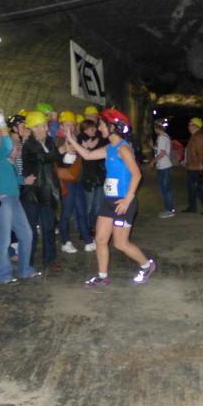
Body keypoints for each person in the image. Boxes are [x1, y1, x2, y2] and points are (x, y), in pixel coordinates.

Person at [64, 108, 157, 287]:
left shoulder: (123, 149)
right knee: (100, 240)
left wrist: (127, 199)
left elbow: (137, 174)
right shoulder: (110, 148)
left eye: (102, 125)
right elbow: (88, 155)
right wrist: (71, 139)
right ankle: (102, 276)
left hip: (123, 203)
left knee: (120, 244)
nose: (99, 128)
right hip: (108, 201)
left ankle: (147, 265)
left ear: (112, 127)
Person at [0, 117, 41, 283]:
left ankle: (25, 269)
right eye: (0, 135)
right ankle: (3, 275)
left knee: (26, 234)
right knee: (3, 238)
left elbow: (10, 175)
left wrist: (24, 180)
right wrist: (3, 126)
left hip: (12, 198)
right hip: (2, 199)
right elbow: (7, 146)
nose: (2, 139)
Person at [21, 110, 62, 270]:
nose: (46, 128)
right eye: (42, 126)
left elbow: (58, 161)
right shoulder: (29, 145)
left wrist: (67, 155)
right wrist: (60, 151)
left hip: (48, 190)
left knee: (49, 227)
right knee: (30, 230)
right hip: (32, 193)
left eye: (45, 125)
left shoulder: (50, 141)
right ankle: (27, 261)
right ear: (33, 128)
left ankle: (49, 259)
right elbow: (42, 158)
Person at [57, 111, 95, 253]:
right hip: (66, 181)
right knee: (66, 212)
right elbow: (58, 161)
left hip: (77, 180)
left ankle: (88, 240)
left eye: (72, 125)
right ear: (61, 126)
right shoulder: (59, 140)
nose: (71, 128)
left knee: (81, 211)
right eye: (67, 125)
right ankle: (65, 241)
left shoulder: (75, 138)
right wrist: (65, 151)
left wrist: (84, 149)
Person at [78, 119, 106, 234]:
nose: (94, 130)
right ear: (85, 130)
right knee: (88, 206)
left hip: (99, 177)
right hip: (88, 178)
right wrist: (87, 147)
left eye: (94, 127)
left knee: (97, 205)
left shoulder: (99, 138)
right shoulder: (81, 138)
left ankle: (92, 227)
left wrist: (93, 145)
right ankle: (84, 229)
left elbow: (104, 148)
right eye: (91, 128)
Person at [182, 117, 203, 214]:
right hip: (191, 165)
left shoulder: (199, 137)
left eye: (190, 125)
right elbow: (191, 151)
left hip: (196, 167)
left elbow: (202, 152)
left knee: (196, 188)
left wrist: (201, 163)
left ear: (196, 126)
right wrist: (186, 161)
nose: (188, 126)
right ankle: (192, 207)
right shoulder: (194, 136)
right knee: (191, 188)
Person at [153, 118, 176, 218]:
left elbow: (162, 153)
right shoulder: (165, 136)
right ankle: (169, 209)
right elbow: (160, 150)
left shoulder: (162, 138)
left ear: (157, 127)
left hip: (164, 166)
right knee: (165, 188)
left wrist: (152, 161)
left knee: (165, 189)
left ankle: (169, 210)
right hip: (164, 166)